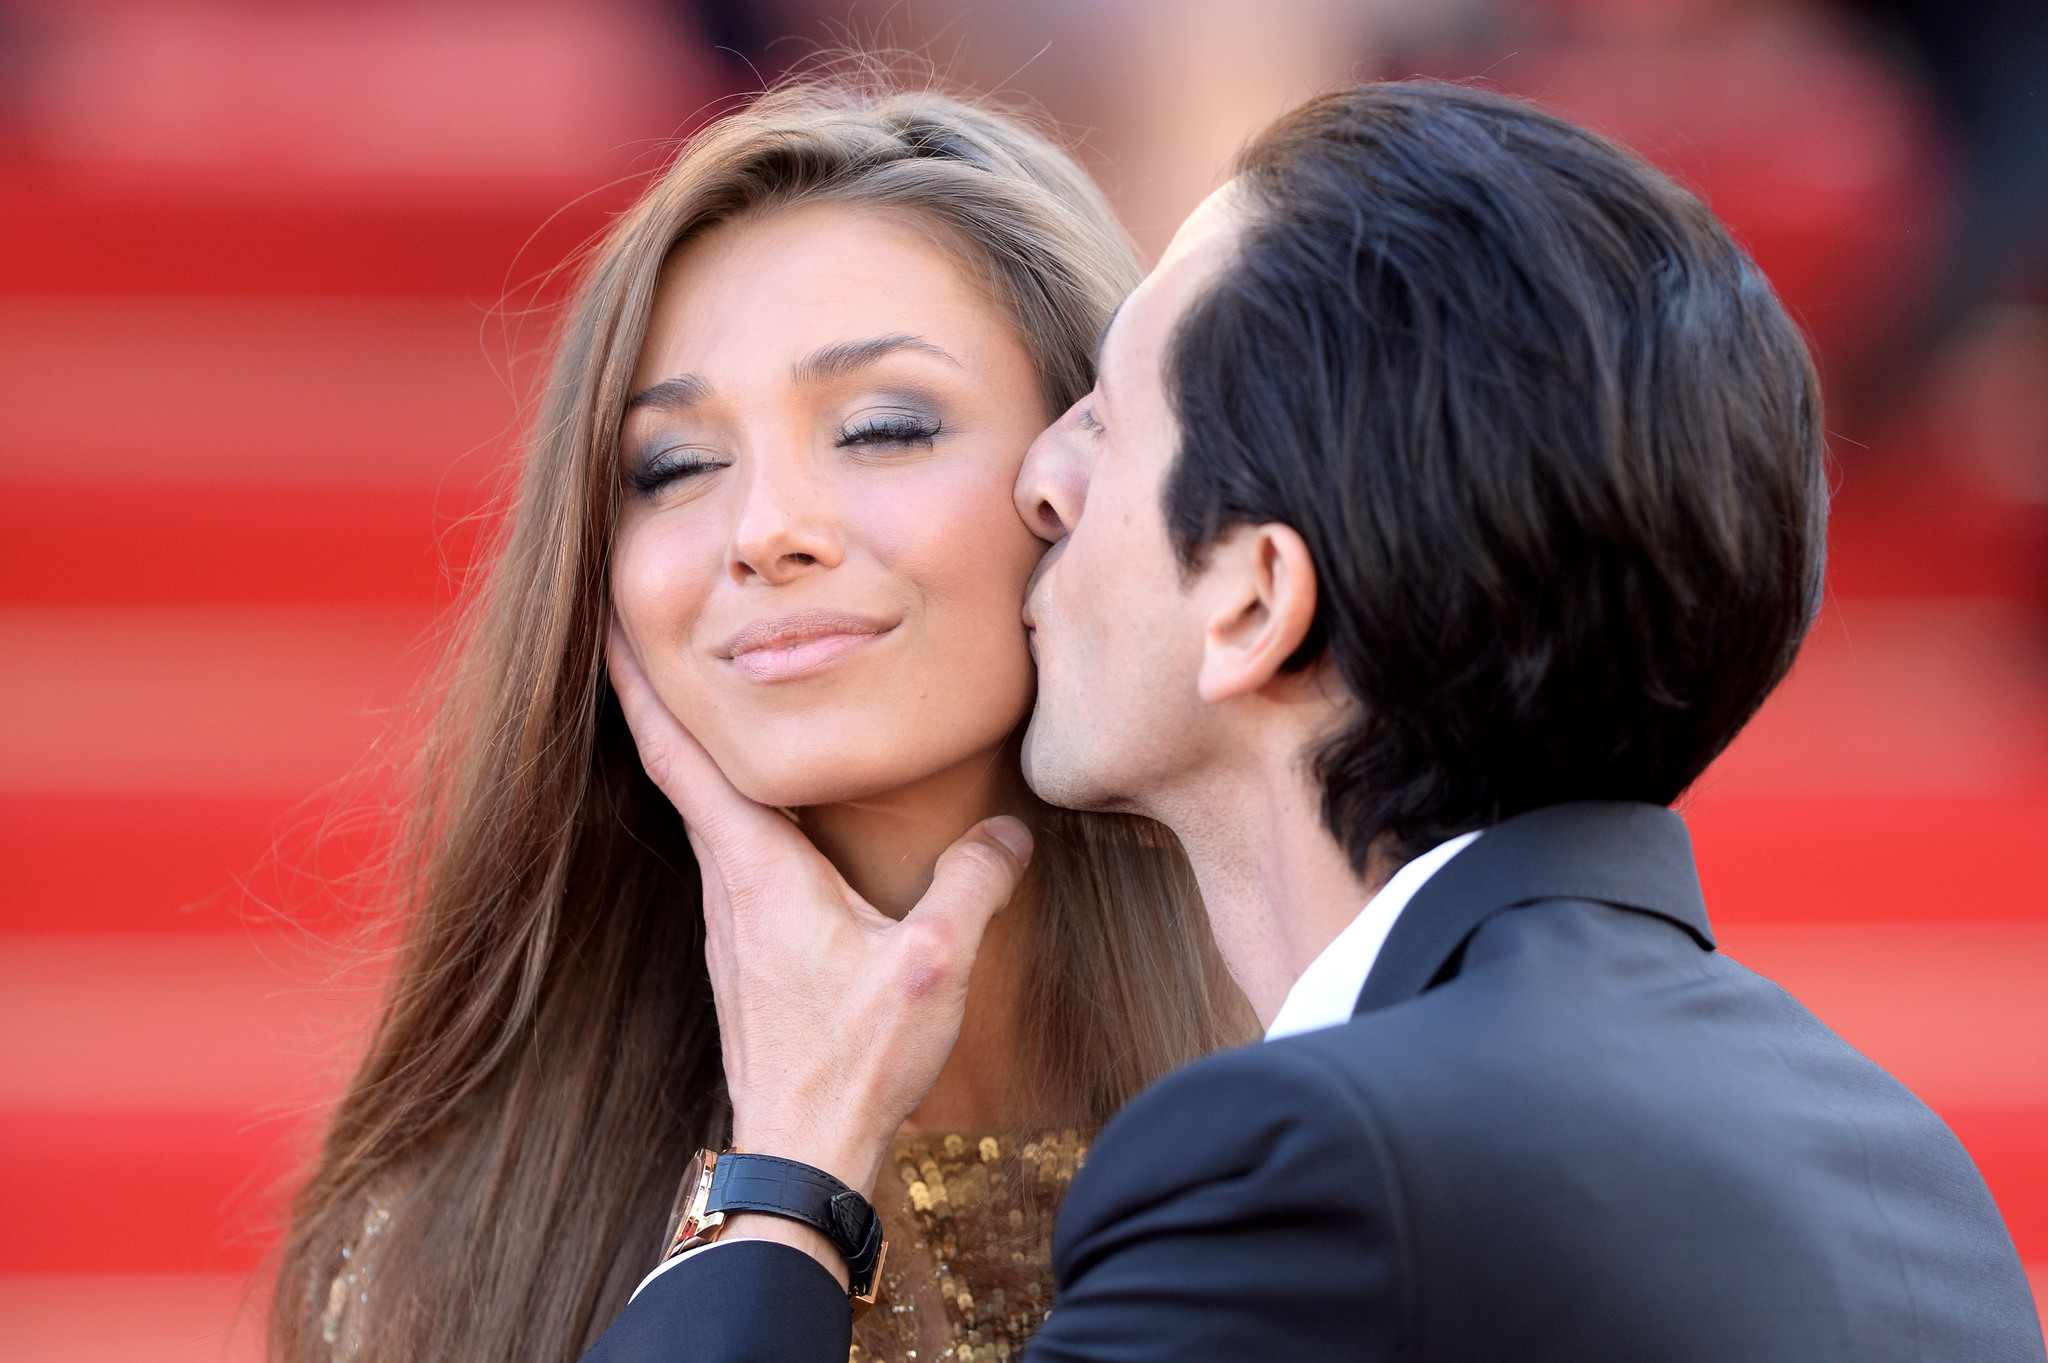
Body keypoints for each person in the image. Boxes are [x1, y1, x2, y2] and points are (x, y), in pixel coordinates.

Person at [591, 81, 2047, 1360]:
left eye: (1105, 418)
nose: (1044, 486)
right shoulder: (1897, 1159)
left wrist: (787, 1160)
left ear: (1253, 602)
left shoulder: (1316, 1165)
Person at [269, 78, 1253, 1363]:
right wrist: (790, 1163)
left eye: (883, 428)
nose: (763, 530)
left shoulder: (1346, 1112)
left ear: (1083, 476)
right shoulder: (448, 1239)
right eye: (673, 465)